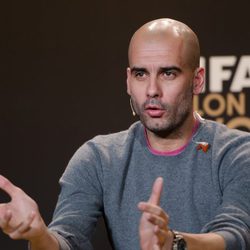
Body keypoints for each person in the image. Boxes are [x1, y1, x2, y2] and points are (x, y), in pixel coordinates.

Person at [0, 17, 250, 250]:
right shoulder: (99, 158)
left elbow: (237, 234)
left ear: (197, 80)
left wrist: (173, 242)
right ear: (128, 81)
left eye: (168, 73)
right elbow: (66, 240)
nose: (152, 90)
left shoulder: (237, 152)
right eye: (141, 74)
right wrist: (39, 235)